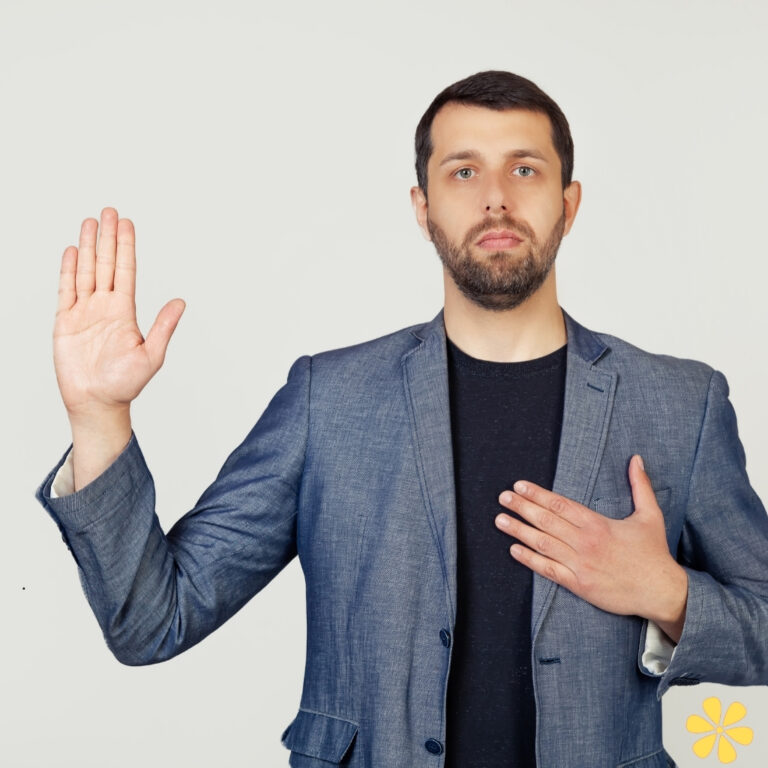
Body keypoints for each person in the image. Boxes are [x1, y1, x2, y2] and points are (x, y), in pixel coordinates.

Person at [37, 71, 768, 768]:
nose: (495, 200)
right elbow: (151, 620)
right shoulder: (330, 399)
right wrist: (100, 418)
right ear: (421, 208)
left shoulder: (682, 403)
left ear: (569, 204)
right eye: (462, 171)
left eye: (524, 170)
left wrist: (665, 593)